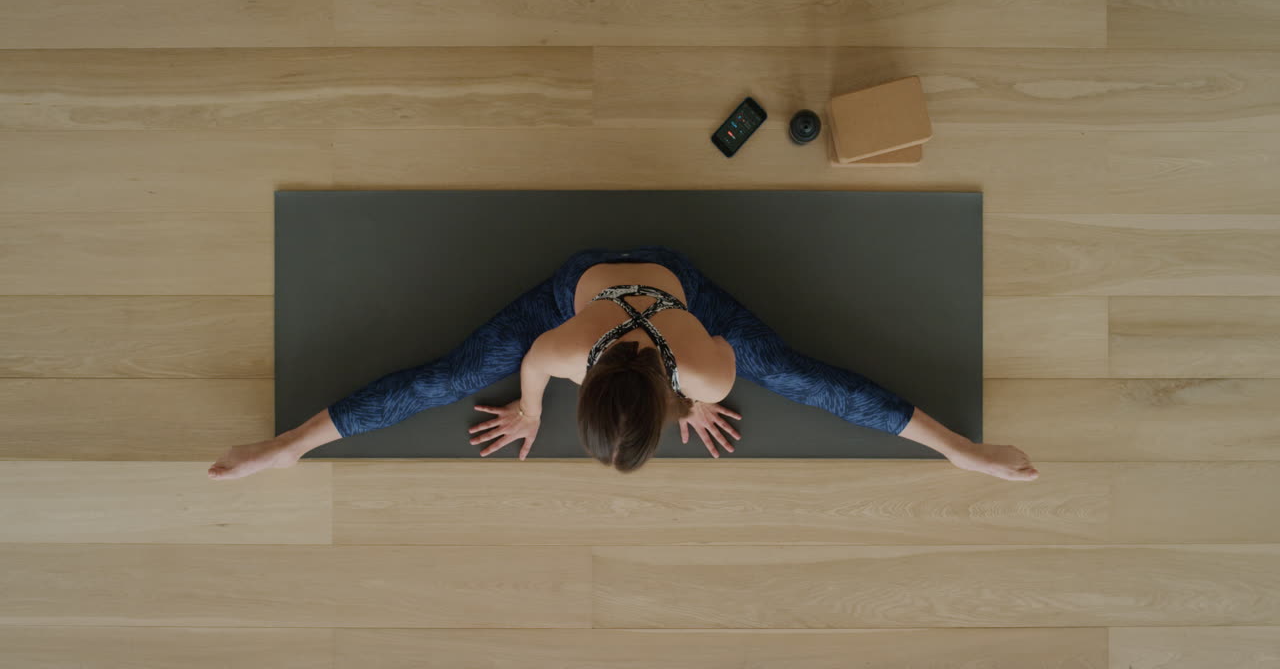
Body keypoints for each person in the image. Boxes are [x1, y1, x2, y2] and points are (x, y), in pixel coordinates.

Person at [208, 246, 1038, 481]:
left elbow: (545, 378)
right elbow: (531, 374)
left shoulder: (704, 372)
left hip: (688, 302)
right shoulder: (560, 347)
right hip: (578, 291)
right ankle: (289, 444)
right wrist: (529, 407)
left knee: (802, 376)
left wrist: (697, 394)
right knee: (449, 374)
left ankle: (959, 449)